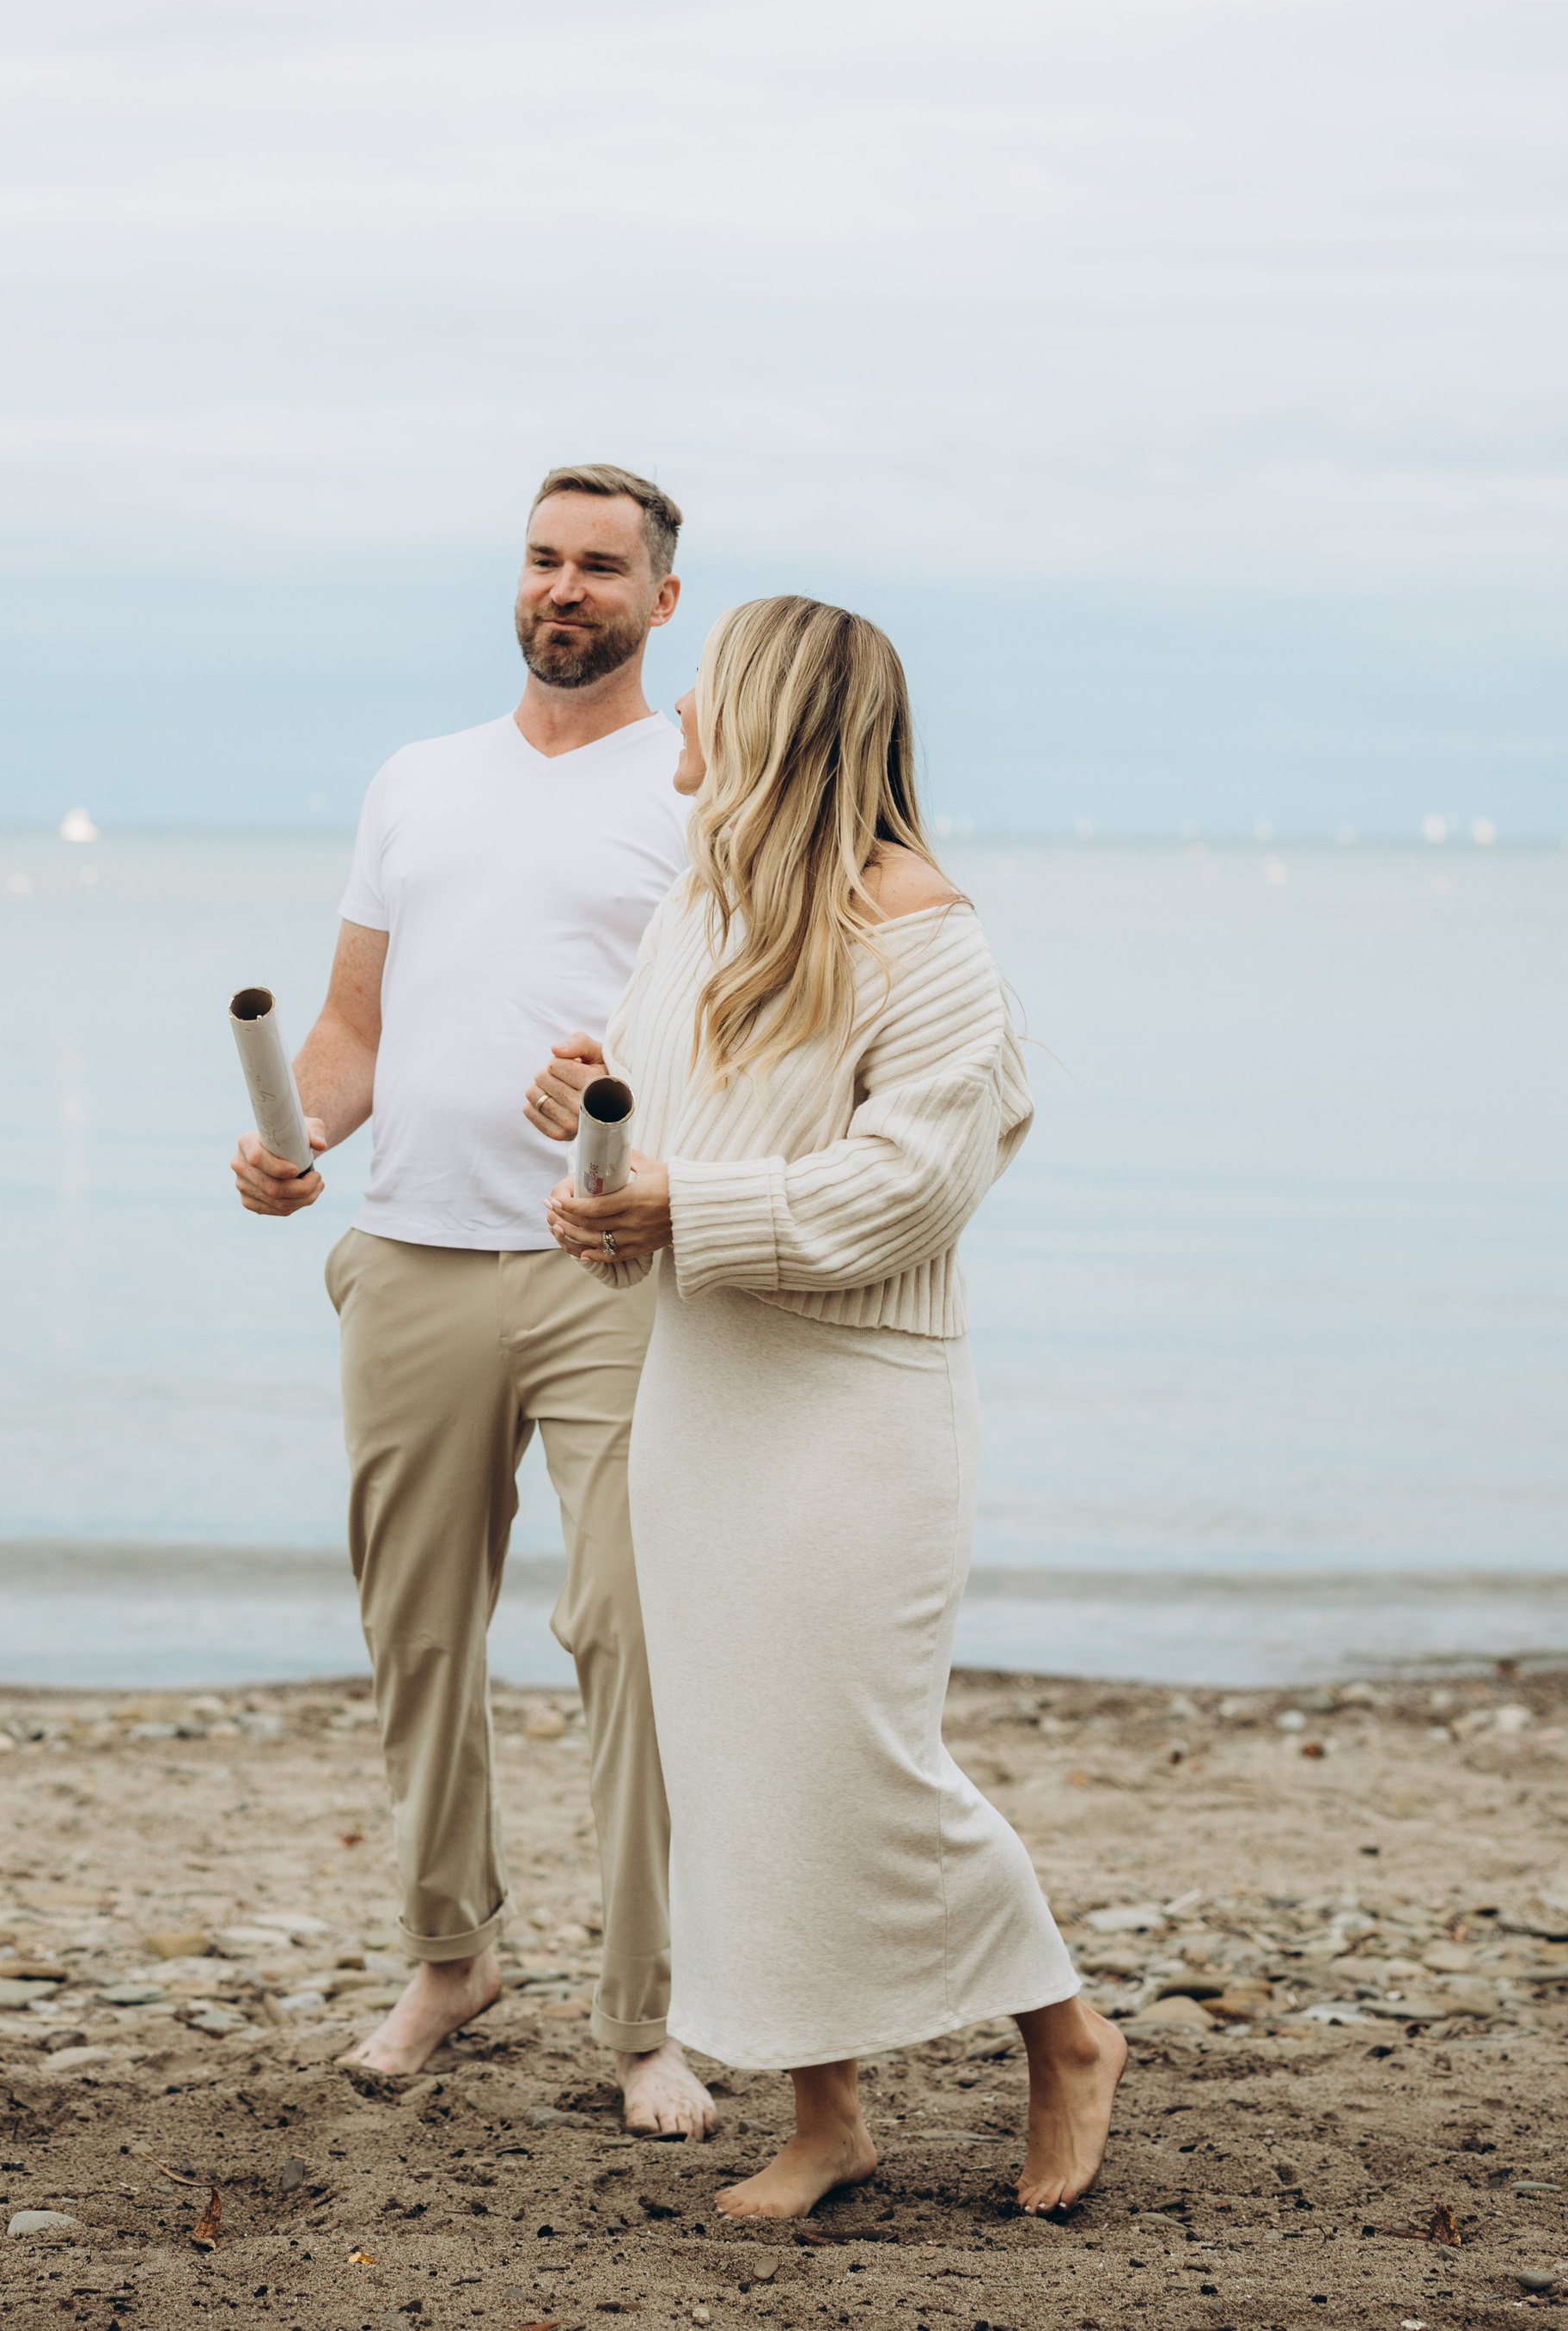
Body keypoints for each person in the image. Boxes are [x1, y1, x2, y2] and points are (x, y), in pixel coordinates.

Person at [536, 595, 1125, 2219]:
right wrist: (592, 1121)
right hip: (702, 1389)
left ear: (777, 716)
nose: (679, 721)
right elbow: (668, 1126)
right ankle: (829, 2118)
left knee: (861, 1761)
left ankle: (1065, 2034)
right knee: (735, 1769)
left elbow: (908, 1191)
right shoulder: (702, 903)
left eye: (705, 691)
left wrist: (676, 1205)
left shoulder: (921, 925)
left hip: (856, 1402)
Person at [230, 463, 717, 2139]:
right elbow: (352, 1025)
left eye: (598, 566)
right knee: (416, 1623)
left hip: (605, 1262)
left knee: (627, 1629)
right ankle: (450, 1956)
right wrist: (292, 1137)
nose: (561, 589)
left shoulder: (700, 781)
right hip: (411, 1250)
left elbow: (749, 1039)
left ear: (662, 599)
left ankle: (647, 2015)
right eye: (538, 559)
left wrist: (633, 1090)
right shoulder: (415, 781)